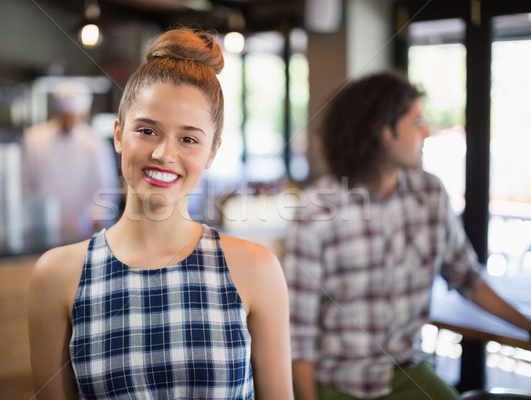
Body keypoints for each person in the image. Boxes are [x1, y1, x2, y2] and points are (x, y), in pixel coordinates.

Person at [27, 27, 292, 399]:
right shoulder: (56, 277)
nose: (164, 154)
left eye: (188, 139)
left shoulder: (257, 270)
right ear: (119, 134)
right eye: (147, 130)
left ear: (212, 151)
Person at [283, 71, 531, 400]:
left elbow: (468, 279)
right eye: (417, 123)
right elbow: (297, 336)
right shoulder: (318, 210)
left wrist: (527, 326)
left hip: (406, 372)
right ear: (383, 133)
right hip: (337, 382)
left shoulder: (430, 193)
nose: (427, 132)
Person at [22, 80, 120, 244]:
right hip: (42, 229)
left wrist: (93, 218)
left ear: (84, 115)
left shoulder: (96, 144)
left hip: (84, 231)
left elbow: (106, 189)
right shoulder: (34, 139)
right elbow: (25, 184)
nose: (70, 124)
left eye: (74, 118)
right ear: (57, 113)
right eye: (65, 117)